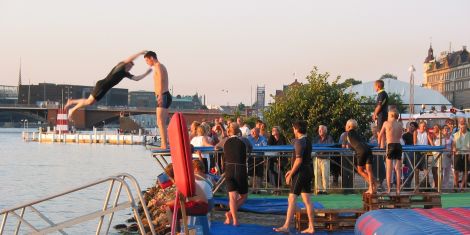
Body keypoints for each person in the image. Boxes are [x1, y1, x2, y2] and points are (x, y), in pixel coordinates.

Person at [65, 50, 152, 119]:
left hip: (105, 89)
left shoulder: (125, 74)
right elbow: (129, 59)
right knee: (89, 101)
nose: (130, 68)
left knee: (90, 102)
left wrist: (146, 73)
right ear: (126, 64)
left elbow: (136, 79)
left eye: (131, 67)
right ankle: (72, 109)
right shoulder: (120, 67)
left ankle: (71, 102)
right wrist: (140, 53)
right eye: (129, 66)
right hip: (102, 85)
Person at [274, 120, 314, 234]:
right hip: (307, 170)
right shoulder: (308, 140)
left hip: (301, 172)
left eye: (293, 128)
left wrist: (291, 173)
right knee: (307, 200)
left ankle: (286, 226)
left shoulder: (299, 141)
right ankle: (311, 227)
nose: (293, 130)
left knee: (291, 199)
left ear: (296, 129)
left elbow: (298, 160)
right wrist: (291, 170)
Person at [218, 123, 251, 226]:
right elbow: (250, 148)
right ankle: (230, 215)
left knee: (232, 197)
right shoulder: (244, 140)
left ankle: (233, 219)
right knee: (244, 196)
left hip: (229, 169)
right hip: (240, 168)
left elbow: (216, 147)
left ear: (229, 131)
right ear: (239, 131)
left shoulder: (225, 141)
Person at [144, 51, 172, 149]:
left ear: (152, 58)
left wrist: (159, 95)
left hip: (163, 95)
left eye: (147, 60)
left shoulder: (158, 66)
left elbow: (160, 79)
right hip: (163, 95)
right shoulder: (159, 66)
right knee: (161, 122)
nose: (147, 63)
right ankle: (165, 143)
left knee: (160, 121)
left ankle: (164, 145)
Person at [345, 119, 375, 194]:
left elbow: (349, 145)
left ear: (348, 126)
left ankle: (373, 185)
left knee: (360, 170)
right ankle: (372, 188)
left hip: (360, 150)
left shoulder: (348, 133)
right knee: (369, 171)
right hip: (368, 149)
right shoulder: (358, 133)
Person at [378, 110, 403, 194]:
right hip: (398, 145)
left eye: (388, 115)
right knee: (397, 169)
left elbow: (380, 135)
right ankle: (398, 189)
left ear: (391, 115)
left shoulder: (386, 123)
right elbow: (400, 136)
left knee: (389, 169)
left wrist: (379, 144)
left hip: (390, 145)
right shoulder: (400, 124)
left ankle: (389, 189)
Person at [313, 125, 334, 194]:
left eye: (321, 129)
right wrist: (320, 151)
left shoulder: (329, 138)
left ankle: (325, 190)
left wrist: (321, 151)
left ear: (325, 131)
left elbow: (331, 148)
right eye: (319, 129)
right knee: (317, 175)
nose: (319, 131)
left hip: (325, 159)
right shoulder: (316, 138)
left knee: (325, 175)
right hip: (317, 159)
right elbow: (313, 147)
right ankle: (319, 191)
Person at [433, 125, 453, 190]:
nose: (446, 130)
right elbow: (436, 146)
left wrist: (451, 153)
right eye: (445, 129)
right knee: (440, 171)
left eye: (447, 129)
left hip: (448, 155)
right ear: (442, 130)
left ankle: (445, 186)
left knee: (447, 171)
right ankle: (438, 186)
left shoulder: (451, 137)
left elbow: (453, 145)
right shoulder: (439, 137)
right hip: (441, 155)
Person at [452, 120, 470, 192]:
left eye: (463, 128)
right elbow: (453, 143)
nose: (462, 129)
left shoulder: (469, 134)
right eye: (460, 128)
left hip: (467, 154)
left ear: (466, 127)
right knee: (456, 171)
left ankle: (462, 187)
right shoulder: (456, 134)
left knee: (465, 171)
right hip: (458, 154)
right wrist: (454, 148)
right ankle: (456, 185)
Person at [372, 79, 388, 145]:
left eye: (374, 86)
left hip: (382, 115)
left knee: (380, 131)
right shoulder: (381, 94)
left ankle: (381, 146)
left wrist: (374, 114)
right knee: (380, 131)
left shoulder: (382, 94)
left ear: (378, 86)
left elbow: (379, 106)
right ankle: (381, 145)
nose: (374, 88)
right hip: (381, 115)